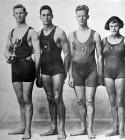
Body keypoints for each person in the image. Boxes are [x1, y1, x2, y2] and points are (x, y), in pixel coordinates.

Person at [4, 4, 41, 139]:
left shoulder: (32, 32)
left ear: (26, 14)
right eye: (16, 13)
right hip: (15, 68)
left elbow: (38, 53)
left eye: (21, 13)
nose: (19, 15)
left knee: (27, 99)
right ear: (13, 15)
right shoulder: (12, 32)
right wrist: (9, 57)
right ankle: (22, 126)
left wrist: (38, 74)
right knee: (20, 100)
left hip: (27, 67)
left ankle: (28, 130)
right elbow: (6, 51)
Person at [68, 5, 103, 139]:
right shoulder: (71, 35)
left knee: (89, 100)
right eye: (79, 16)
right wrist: (70, 76)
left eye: (84, 15)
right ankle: (82, 127)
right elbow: (70, 57)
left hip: (91, 70)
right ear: (76, 17)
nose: (81, 18)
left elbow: (99, 56)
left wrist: (101, 74)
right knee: (80, 100)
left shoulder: (95, 35)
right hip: (76, 70)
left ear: (88, 16)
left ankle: (89, 129)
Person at [38, 5, 70, 139]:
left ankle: (61, 129)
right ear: (40, 17)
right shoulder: (39, 33)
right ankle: (53, 128)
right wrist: (37, 73)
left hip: (57, 69)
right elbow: (38, 54)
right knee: (50, 98)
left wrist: (66, 73)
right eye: (43, 15)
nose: (46, 17)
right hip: (45, 70)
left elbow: (67, 54)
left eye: (48, 15)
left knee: (57, 98)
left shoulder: (59, 32)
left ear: (52, 16)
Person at [102, 16, 125, 138]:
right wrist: (100, 75)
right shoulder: (104, 40)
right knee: (112, 102)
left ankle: (122, 130)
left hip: (121, 74)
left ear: (120, 26)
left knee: (120, 101)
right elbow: (99, 58)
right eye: (111, 26)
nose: (113, 28)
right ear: (108, 27)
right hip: (107, 74)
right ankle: (115, 128)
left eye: (116, 25)